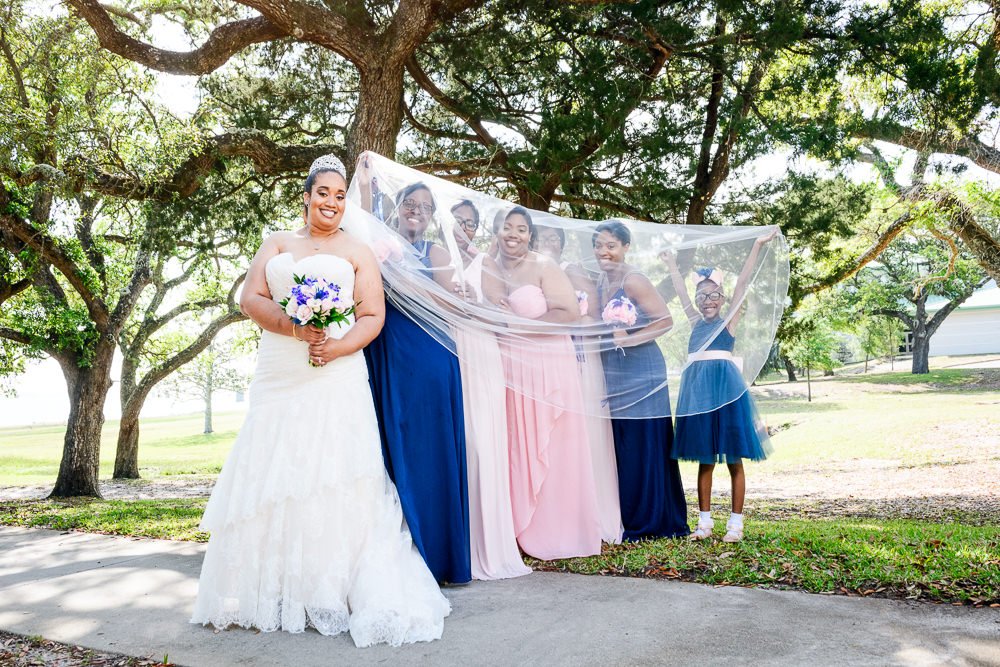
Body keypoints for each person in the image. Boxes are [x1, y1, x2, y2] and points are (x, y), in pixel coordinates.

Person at [191, 155, 450, 647]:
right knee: (276, 466)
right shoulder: (277, 243)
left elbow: (372, 315)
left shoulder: (358, 250)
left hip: (336, 369)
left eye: (338, 195)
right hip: (280, 370)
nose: (330, 202)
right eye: (322, 193)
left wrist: (335, 346)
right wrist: (292, 326)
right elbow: (251, 298)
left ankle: (332, 586)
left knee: (336, 466)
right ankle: (276, 588)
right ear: (306, 197)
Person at [356, 156, 472, 585]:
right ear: (397, 206)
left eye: (426, 207)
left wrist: (409, 285)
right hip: (386, 351)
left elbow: (448, 302)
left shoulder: (434, 250)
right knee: (390, 439)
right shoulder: (377, 242)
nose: (418, 210)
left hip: (428, 354)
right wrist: (366, 183)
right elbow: (363, 221)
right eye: (411, 203)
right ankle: (396, 552)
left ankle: (437, 553)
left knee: (428, 444)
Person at [495, 207, 603, 560]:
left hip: (548, 364)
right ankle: (520, 526)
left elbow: (568, 314)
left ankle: (560, 530)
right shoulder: (489, 267)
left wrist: (519, 326)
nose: (514, 234)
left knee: (554, 446)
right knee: (517, 443)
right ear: (497, 231)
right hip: (512, 366)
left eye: (522, 229)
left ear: (531, 236)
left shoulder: (544, 266)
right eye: (507, 227)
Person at [664, 230, 777, 542]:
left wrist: (756, 246)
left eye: (714, 295)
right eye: (702, 296)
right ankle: (704, 523)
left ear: (723, 298)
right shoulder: (695, 322)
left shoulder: (728, 322)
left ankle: (736, 524)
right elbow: (681, 293)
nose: (707, 300)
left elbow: (742, 282)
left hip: (726, 392)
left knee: (734, 459)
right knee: (705, 459)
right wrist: (673, 265)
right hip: (699, 393)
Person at [447, 199, 532, 580]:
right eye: (457, 220)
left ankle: (487, 542)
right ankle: (455, 537)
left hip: (479, 350)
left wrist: (475, 304)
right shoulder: (435, 258)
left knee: (482, 441)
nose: (463, 227)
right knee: (458, 440)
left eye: (470, 223)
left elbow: (503, 317)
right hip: (448, 350)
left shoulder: (486, 263)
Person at [594, 221, 689, 541]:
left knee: (644, 441)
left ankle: (654, 519)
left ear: (625, 247)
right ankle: (629, 514)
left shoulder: (634, 280)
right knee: (624, 443)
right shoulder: (600, 283)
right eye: (599, 245)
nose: (603, 252)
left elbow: (665, 321)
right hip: (614, 372)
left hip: (643, 369)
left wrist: (628, 339)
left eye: (610, 245)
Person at [534, 224, 623, 544]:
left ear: (562, 243)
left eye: (554, 238)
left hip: (582, 357)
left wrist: (578, 334)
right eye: (542, 237)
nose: (548, 242)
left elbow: (593, 314)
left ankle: (595, 511)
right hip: (548, 362)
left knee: (586, 432)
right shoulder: (530, 272)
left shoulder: (572, 270)